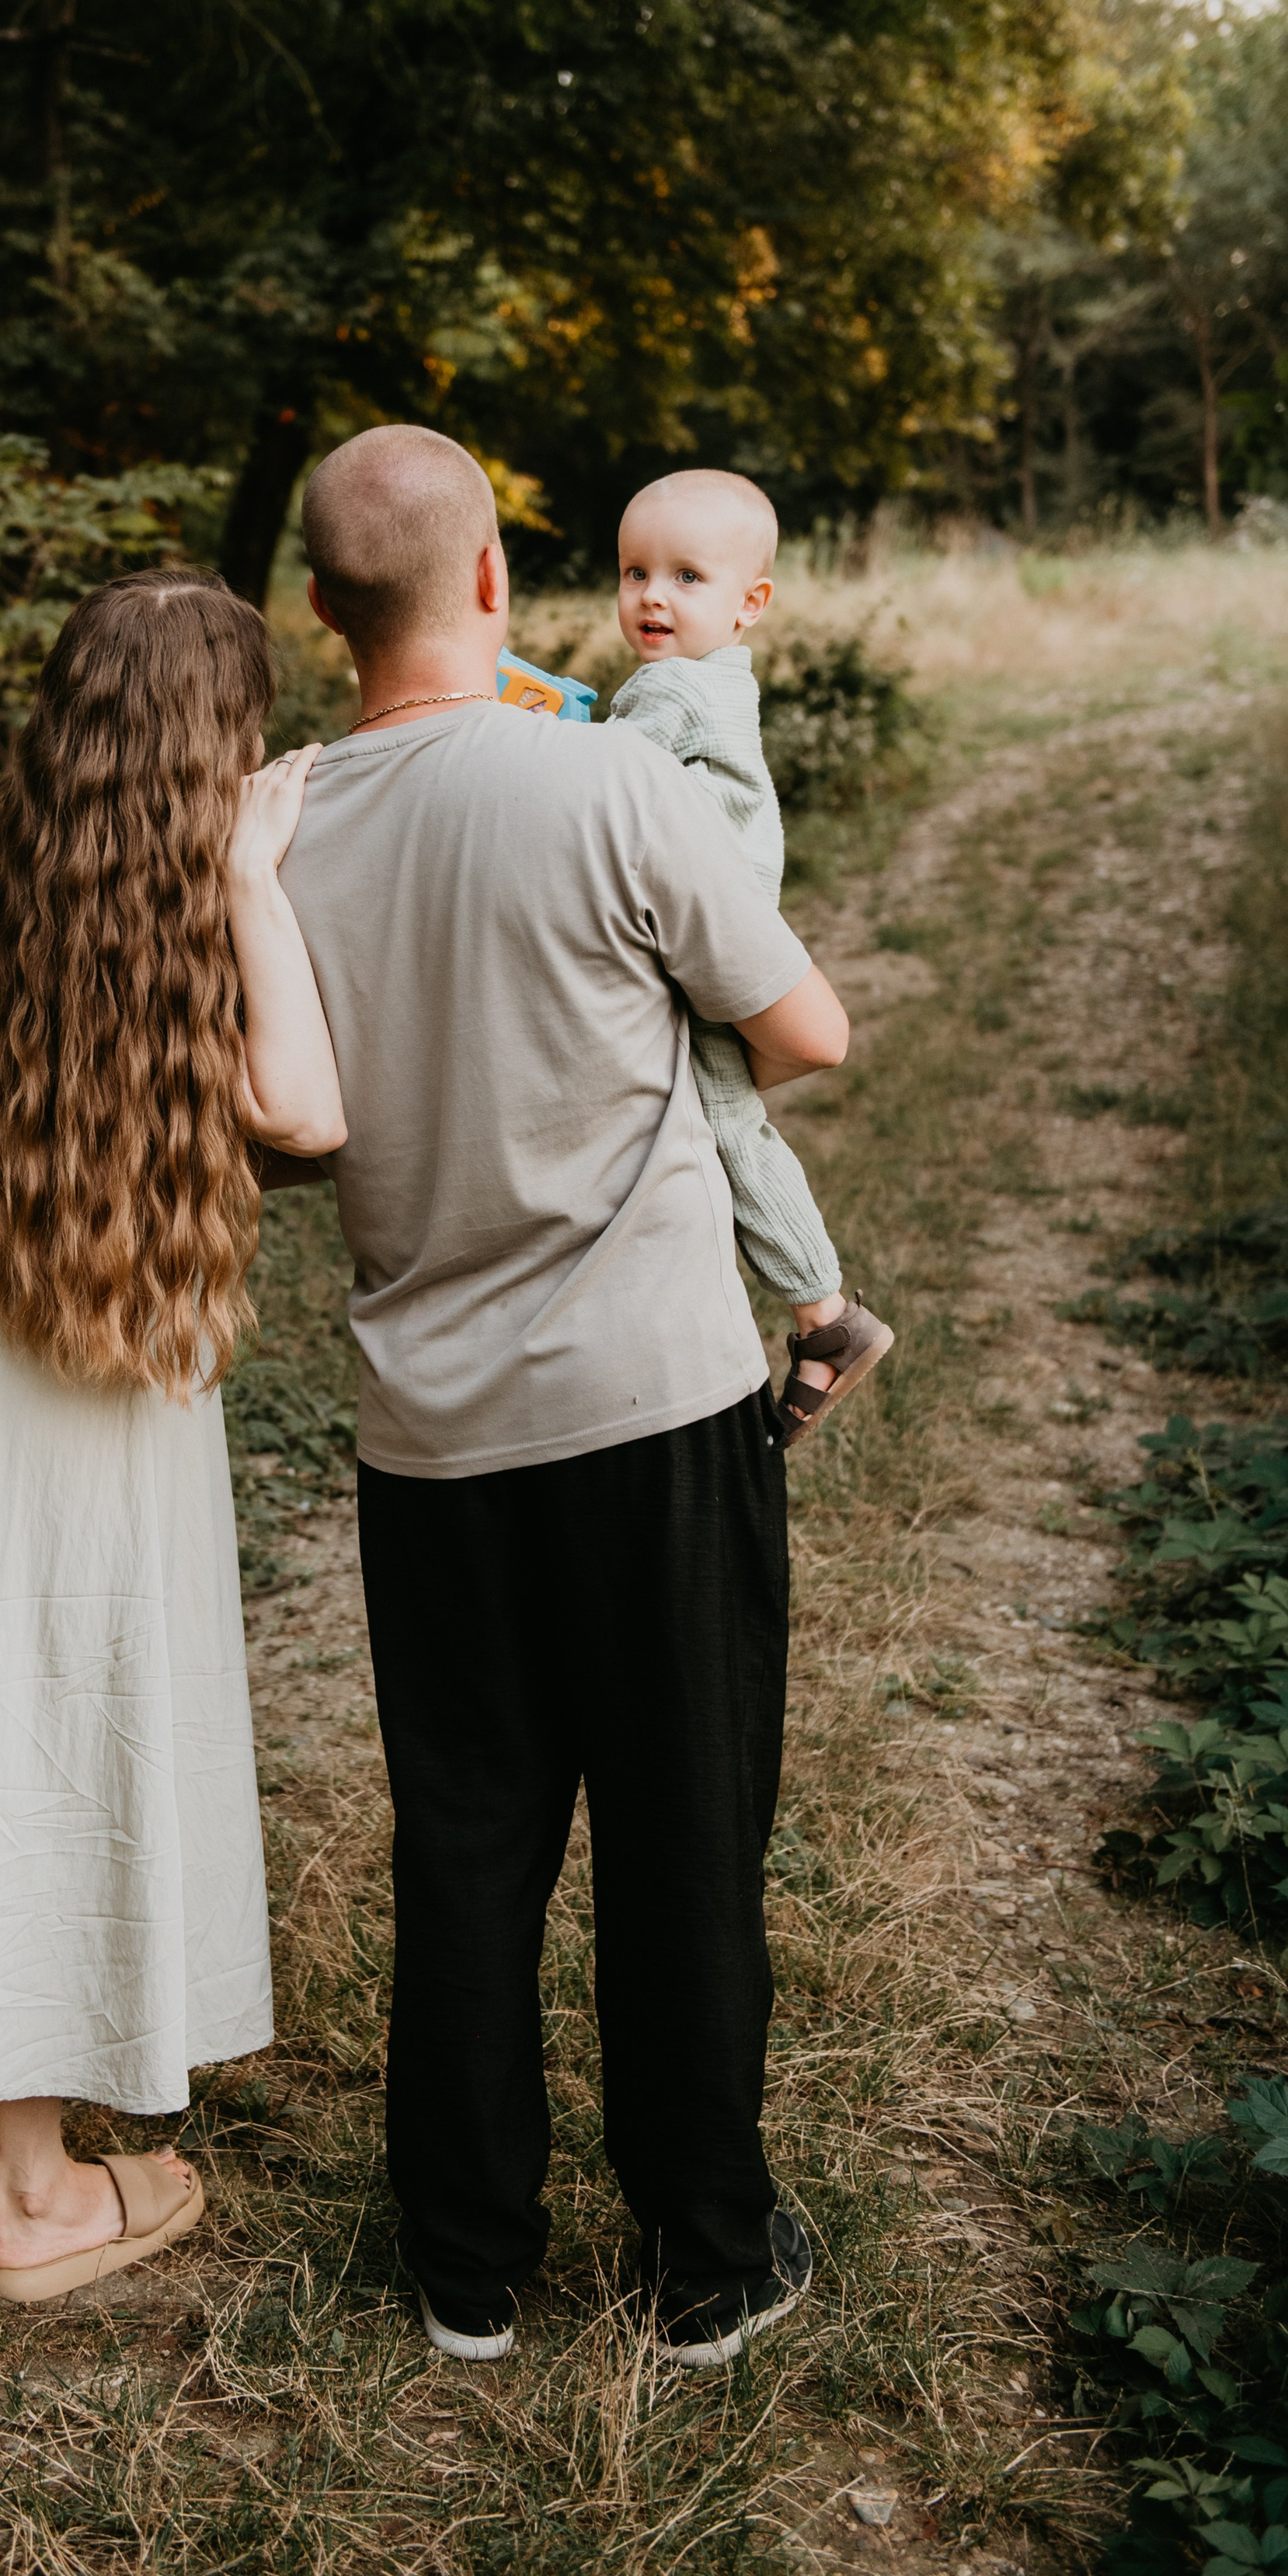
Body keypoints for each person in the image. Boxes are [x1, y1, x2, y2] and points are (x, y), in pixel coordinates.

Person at [276, 427, 850, 2370]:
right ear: (499, 585)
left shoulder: (278, 827)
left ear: (319, 608)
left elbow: (284, 1134)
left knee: (466, 1842)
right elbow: (803, 1027)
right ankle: (704, 2255)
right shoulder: (608, 774)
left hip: (424, 1438)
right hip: (653, 1404)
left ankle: (463, 2261)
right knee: (681, 1834)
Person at [0, 570, 346, 2305]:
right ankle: (38, 2191)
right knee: (49, 1733)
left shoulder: (6, 865)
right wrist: (257, 879)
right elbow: (305, 1111)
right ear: (221, 739)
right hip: (82, 1392)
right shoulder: (193, 899)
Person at [609, 467, 893, 1443]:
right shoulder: (720, 681)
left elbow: (606, 789)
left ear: (749, 603)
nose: (652, 595)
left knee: (729, 1125)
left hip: (704, 948)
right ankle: (807, 1312)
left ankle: (827, 1317)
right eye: (634, 571)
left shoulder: (672, 689)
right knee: (718, 1117)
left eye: (686, 576)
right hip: (720, 931)